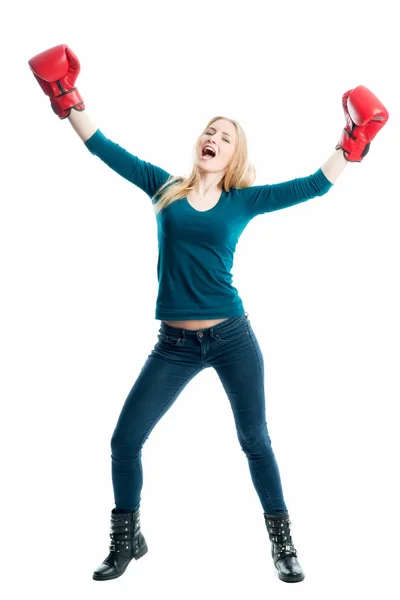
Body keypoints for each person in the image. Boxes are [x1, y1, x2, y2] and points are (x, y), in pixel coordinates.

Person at [28, 44, 389, 584]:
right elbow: (103, 147)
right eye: (209, 130)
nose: (213, 138)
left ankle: (283, 543)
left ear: (233, 156)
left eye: (225, 136)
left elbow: (315, 185)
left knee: (254, 440)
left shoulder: (242, 201)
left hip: (231, 338)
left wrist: (350, 142)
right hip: (172, 345)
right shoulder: (163, 188)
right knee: (124, 441)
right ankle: (127, 538)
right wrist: (66, 98)